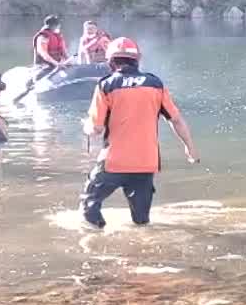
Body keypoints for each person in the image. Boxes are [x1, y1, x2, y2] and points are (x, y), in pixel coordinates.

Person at [79, 37, 200, 229]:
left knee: (89, 205)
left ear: (111, 61)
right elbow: (176, 120)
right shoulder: (155, 84)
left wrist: (86, 127)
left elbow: (96, 128)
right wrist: (190, 148)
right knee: (142, 222)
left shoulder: (106, 85)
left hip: (114, 163)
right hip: (146, 163)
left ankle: (98, 244)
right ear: (137, 59)